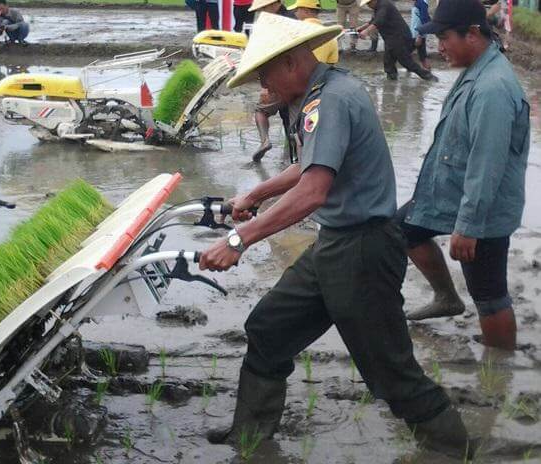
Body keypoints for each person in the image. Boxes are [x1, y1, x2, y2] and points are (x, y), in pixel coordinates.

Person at [199, 12, 473, 459]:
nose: (262, 87)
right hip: (335, 243)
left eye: (264, 74)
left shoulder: (332, 99)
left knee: (389, 370)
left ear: (290, 63)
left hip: (363, 250)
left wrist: (239, 239)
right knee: (268, 329)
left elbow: (312, 191)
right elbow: (307, 163)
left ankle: (451, 449)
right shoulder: (317, 95)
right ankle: (251, 439)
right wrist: (257, 192)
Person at [397, 0, 529, 352]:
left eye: (444, 38)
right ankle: (446, 297)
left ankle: (499, 369)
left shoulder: (492, 89)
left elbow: (487, 164)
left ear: (472, 34)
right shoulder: (475, 72)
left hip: (483, 208)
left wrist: (468, 226)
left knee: (488, 294)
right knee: (405, 228)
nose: (439, 47)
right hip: (452, 192)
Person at [246, 0, 296, 162]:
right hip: (298, 78)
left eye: (264, 8)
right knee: (290, 117)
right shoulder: (293, 19)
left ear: (275, 4)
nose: (262, 12)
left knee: (261, 110)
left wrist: (266, 86)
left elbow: (267, 57)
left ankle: (265, 142)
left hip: (281, 80)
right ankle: (296, 157)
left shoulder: (276, 24)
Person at [358, 0, 437, 80]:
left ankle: (428, 76)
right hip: (390, 39)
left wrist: (366, 31)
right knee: (388, 61)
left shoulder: (384, 5)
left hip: (398, 37)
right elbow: (373, 21)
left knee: (406, 61)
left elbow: (379, 21)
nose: (368, 6)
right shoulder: (378, 8)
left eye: (368, 3)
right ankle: (391, 78)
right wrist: (360, 28)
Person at [287, 0, 339, 64]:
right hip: (320, 73)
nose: (295, 13)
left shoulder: (294, 33)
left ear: (306, 11)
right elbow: (331, 65)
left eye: (296, 10)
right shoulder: (331, 37)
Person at [410, 0, 431, 69]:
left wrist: (420, 35)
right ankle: (428, 73)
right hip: (416, 33)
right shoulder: (419, 3)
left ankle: (428, 74)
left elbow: (424, 19)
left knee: (406, 53)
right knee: (422, 55)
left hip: (417, 34)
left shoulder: (421, 3)